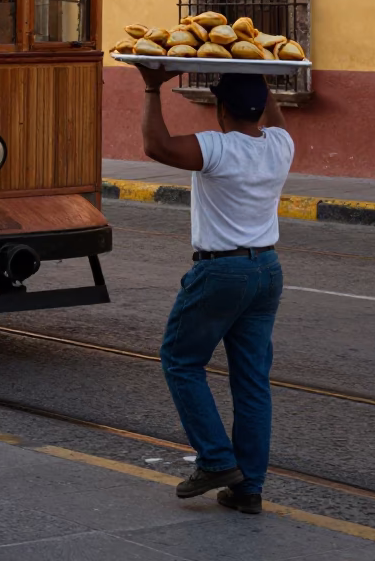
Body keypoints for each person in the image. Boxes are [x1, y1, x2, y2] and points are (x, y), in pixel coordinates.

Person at [136, 66, 293, 515]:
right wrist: (264, 73)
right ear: (261, 107)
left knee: (181, 361)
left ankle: (216, 461)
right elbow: (276, 119)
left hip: (221, 272)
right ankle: (249, 488)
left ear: (222, 109)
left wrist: (151, 86)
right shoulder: (281, 145)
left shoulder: (218, 147)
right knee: (251, 381)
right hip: (267, 268)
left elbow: (156, 144)